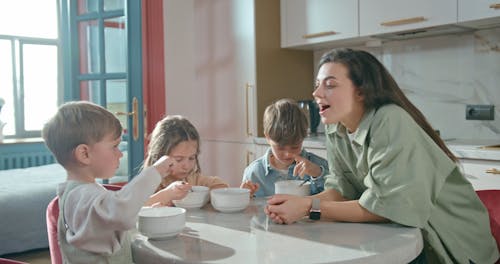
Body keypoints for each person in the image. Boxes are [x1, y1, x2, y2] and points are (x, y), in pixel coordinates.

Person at [265, 48, 499, 263]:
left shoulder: (389, 119)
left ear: (361, 92)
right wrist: (295, 205)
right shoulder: (336, 128)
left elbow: (385, 207)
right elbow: (341, 189)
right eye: (317, 84)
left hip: (452, 244)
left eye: (330, 85)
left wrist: (309, 208)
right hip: (405, 236)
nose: (316, 93)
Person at [42, 101, 177, 263]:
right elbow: (120, 211)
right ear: (84, 154)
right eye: (115, 146)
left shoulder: (83, 193)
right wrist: (156, 171)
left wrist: (141, 213)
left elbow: (106, 223)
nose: (120, 154)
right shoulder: (80, 197)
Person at [241, 98, 328, 197]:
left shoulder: (319, 166)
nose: (288, 154)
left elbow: (334, 200)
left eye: (295, 147)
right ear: (268, 137)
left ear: (303, 138)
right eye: (280, 148)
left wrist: (318, 174)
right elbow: (248, 210)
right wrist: (244, 197)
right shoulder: (254, 173)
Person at [144, 115, 229, 207]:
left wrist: (200, 197)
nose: (186, 166)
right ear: (159, 156)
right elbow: (134, 208)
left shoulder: (192, 179)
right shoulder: (149, 182)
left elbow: (221, 186)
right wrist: (167, 195)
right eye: (179, 159)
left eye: (191, 158)